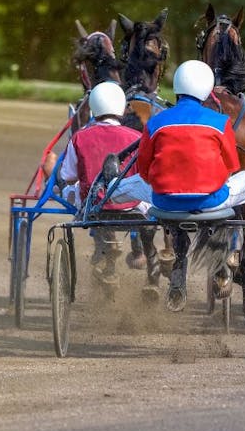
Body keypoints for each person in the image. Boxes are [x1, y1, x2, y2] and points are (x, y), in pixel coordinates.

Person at [110, 60, 245, 322]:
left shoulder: (156, 122)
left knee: (127, 185)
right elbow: (231, 167)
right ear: (206, 89)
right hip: (212, 201)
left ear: (177, 87)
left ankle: (108, 186)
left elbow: (144, 170)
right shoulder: (219, 121)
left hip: (163, 202)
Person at [43, 81, 161, 294]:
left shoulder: (80, 137)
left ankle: (106, 251)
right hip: (132, 208)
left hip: (94, 208)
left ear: (94, 108)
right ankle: (153, 269)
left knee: (76, 192)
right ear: (121, 108)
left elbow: (68, 176)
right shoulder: (136, 137)